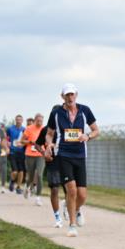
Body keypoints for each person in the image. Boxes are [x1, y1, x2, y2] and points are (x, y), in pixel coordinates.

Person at [45, 84, 98, 237]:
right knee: (72, 190)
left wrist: (87, 136)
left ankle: (72, 207)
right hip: (64, 154)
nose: (70, 97)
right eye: (67, 95)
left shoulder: (85, 110)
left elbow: (96, 130)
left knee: (82, 195)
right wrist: (49, 144)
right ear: (62, 97)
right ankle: (72, 225)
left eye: (72, 94)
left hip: (80, 155)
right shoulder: (56, 113)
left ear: (76, 95)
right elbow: (49, 134)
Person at [36, 106, 66, 226]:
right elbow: (37, 144)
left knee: (69, 189)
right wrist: (44, 153)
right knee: (54, 189)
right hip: (52, 161)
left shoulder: (66, 128)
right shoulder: (45, 130)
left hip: (65, 161)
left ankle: (68, 207)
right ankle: (57, 217)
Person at [22, 113, 45, 205]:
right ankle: (27, 186)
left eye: (41, 121)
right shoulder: (29, 128)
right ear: (35, 120)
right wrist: (30, 142)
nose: (39, 122)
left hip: (40, 154)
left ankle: (38, 198)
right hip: (30, 154)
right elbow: (22, 141)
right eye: (38, 120)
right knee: (30, 176)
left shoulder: (44, 129)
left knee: (39, 175)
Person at [7, 114, 26, 194]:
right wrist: (7, 144)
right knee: (15, 171)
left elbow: (26, 140)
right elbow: (6, 138)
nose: (18, 121)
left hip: (21, 152)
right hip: (12, 152)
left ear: (22, 121)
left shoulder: (24, 129)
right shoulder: (10, 129)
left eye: (20, 120)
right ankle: (12, 181)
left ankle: (18, 187)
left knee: (21, 171)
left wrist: (23, 144)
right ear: (15, 120)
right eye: (17, 119)